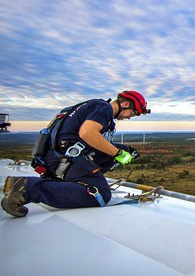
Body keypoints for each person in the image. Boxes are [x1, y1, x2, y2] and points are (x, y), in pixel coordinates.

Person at [2, 91, 151, 217]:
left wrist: (123, 151)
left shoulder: (94, 106)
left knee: (125, 151)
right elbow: (87, 133)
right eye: (133, 113)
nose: (130, 116)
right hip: (63, 159)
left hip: (57, 156)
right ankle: (28, 188)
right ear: (125, 104)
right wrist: (118, 153)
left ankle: (80, 179)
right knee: (100, 194)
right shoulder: (103, 108)